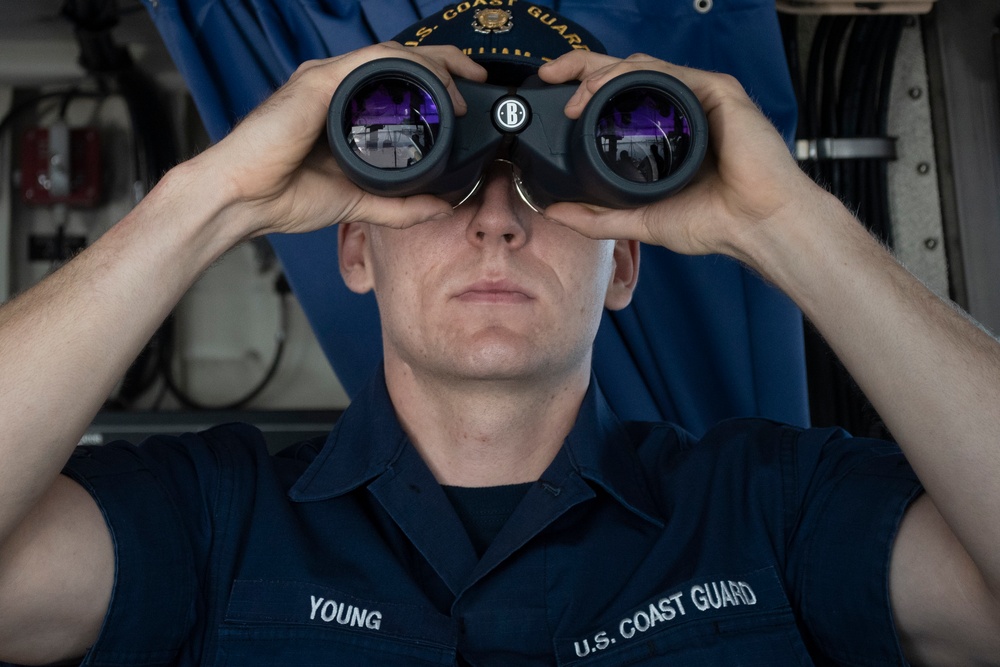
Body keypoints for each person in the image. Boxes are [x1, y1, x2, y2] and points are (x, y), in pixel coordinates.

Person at [1, 7, 1000, 666]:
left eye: (553, 183)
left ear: (625, 260)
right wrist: (209, 202)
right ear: (354, 248)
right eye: (433, 180)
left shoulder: (771, 507)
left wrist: (785, 222)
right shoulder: (214, 520)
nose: (496, 219)